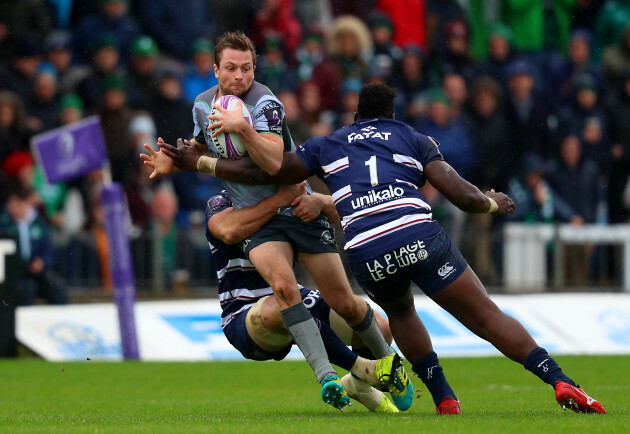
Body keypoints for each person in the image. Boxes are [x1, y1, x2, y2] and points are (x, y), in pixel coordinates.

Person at [157, 83, 607, 415]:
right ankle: (561, 382)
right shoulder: (411, 137)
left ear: (356, 116)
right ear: (392, 114)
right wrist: (493, 202)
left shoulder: (328, 143)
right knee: (485, 316)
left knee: (404, 315)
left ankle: (445, 399)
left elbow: (268, 171)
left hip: (367, 252)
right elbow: (462, 196)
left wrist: (199, 161)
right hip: (417, 234)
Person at [141, 32, 412, 411]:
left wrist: (243, 127)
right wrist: (176, 159)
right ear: (215, 69)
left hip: (295, 205)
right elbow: (203, 144)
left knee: (345, 303)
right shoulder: (202, 105)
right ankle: (328, 377)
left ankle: (389, 366)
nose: (239, 76)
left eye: (247, 68)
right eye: (231, 68)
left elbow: (271, 165)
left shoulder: (265, 103)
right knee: (285, 287)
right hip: (263, 221)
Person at [205, 183, 400, 413]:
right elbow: (229, 230)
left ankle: (357, 385)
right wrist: (280, 200)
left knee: (381, 327)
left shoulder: (287, 189)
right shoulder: (219, 202)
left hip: (293, 294)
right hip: (244, 314)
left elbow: (337, 214)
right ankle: (360, 367)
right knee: (283, 304)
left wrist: (321, 201)